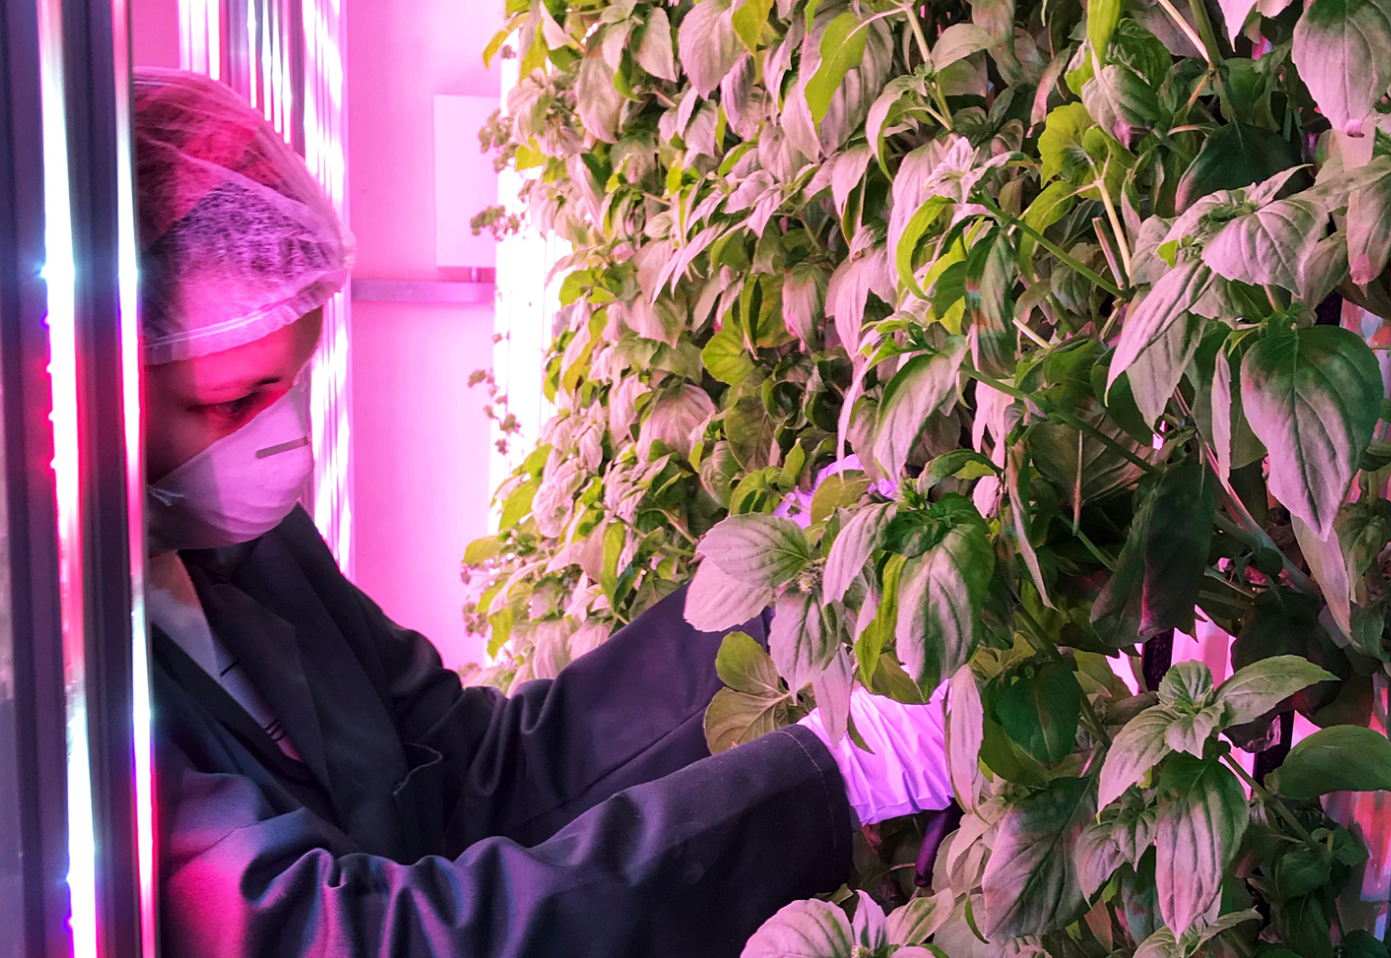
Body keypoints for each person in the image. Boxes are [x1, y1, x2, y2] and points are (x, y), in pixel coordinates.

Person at [137, 66, 954, 958]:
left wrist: (777, 584)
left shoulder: (248, 548)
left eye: (290, 385)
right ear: (102, 372)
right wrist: (824, 781)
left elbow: (485, 772)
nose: (281, 441)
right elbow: (372, 938)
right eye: (228, 401)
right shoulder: (79, 701)